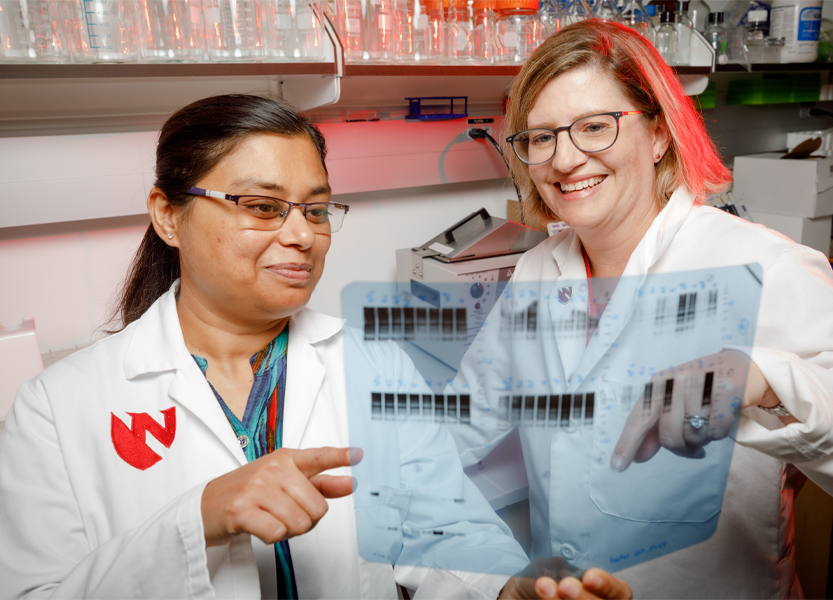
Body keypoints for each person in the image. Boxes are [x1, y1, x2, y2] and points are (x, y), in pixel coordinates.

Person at [0, 94, 633, 600]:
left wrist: (508, 590)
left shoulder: (371, 361)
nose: (303, 235)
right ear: (167, 215)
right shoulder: (58, 408)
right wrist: (198, 517)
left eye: (318, 209)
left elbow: (441, 531)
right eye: (262, 206)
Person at [447, 19, 833, 599]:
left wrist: (764, 378)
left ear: (658, 133)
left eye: (594, 127)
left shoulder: (759, 265)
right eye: (541, 137)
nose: (564, 160)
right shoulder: (541, 270)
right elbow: (458, 426)